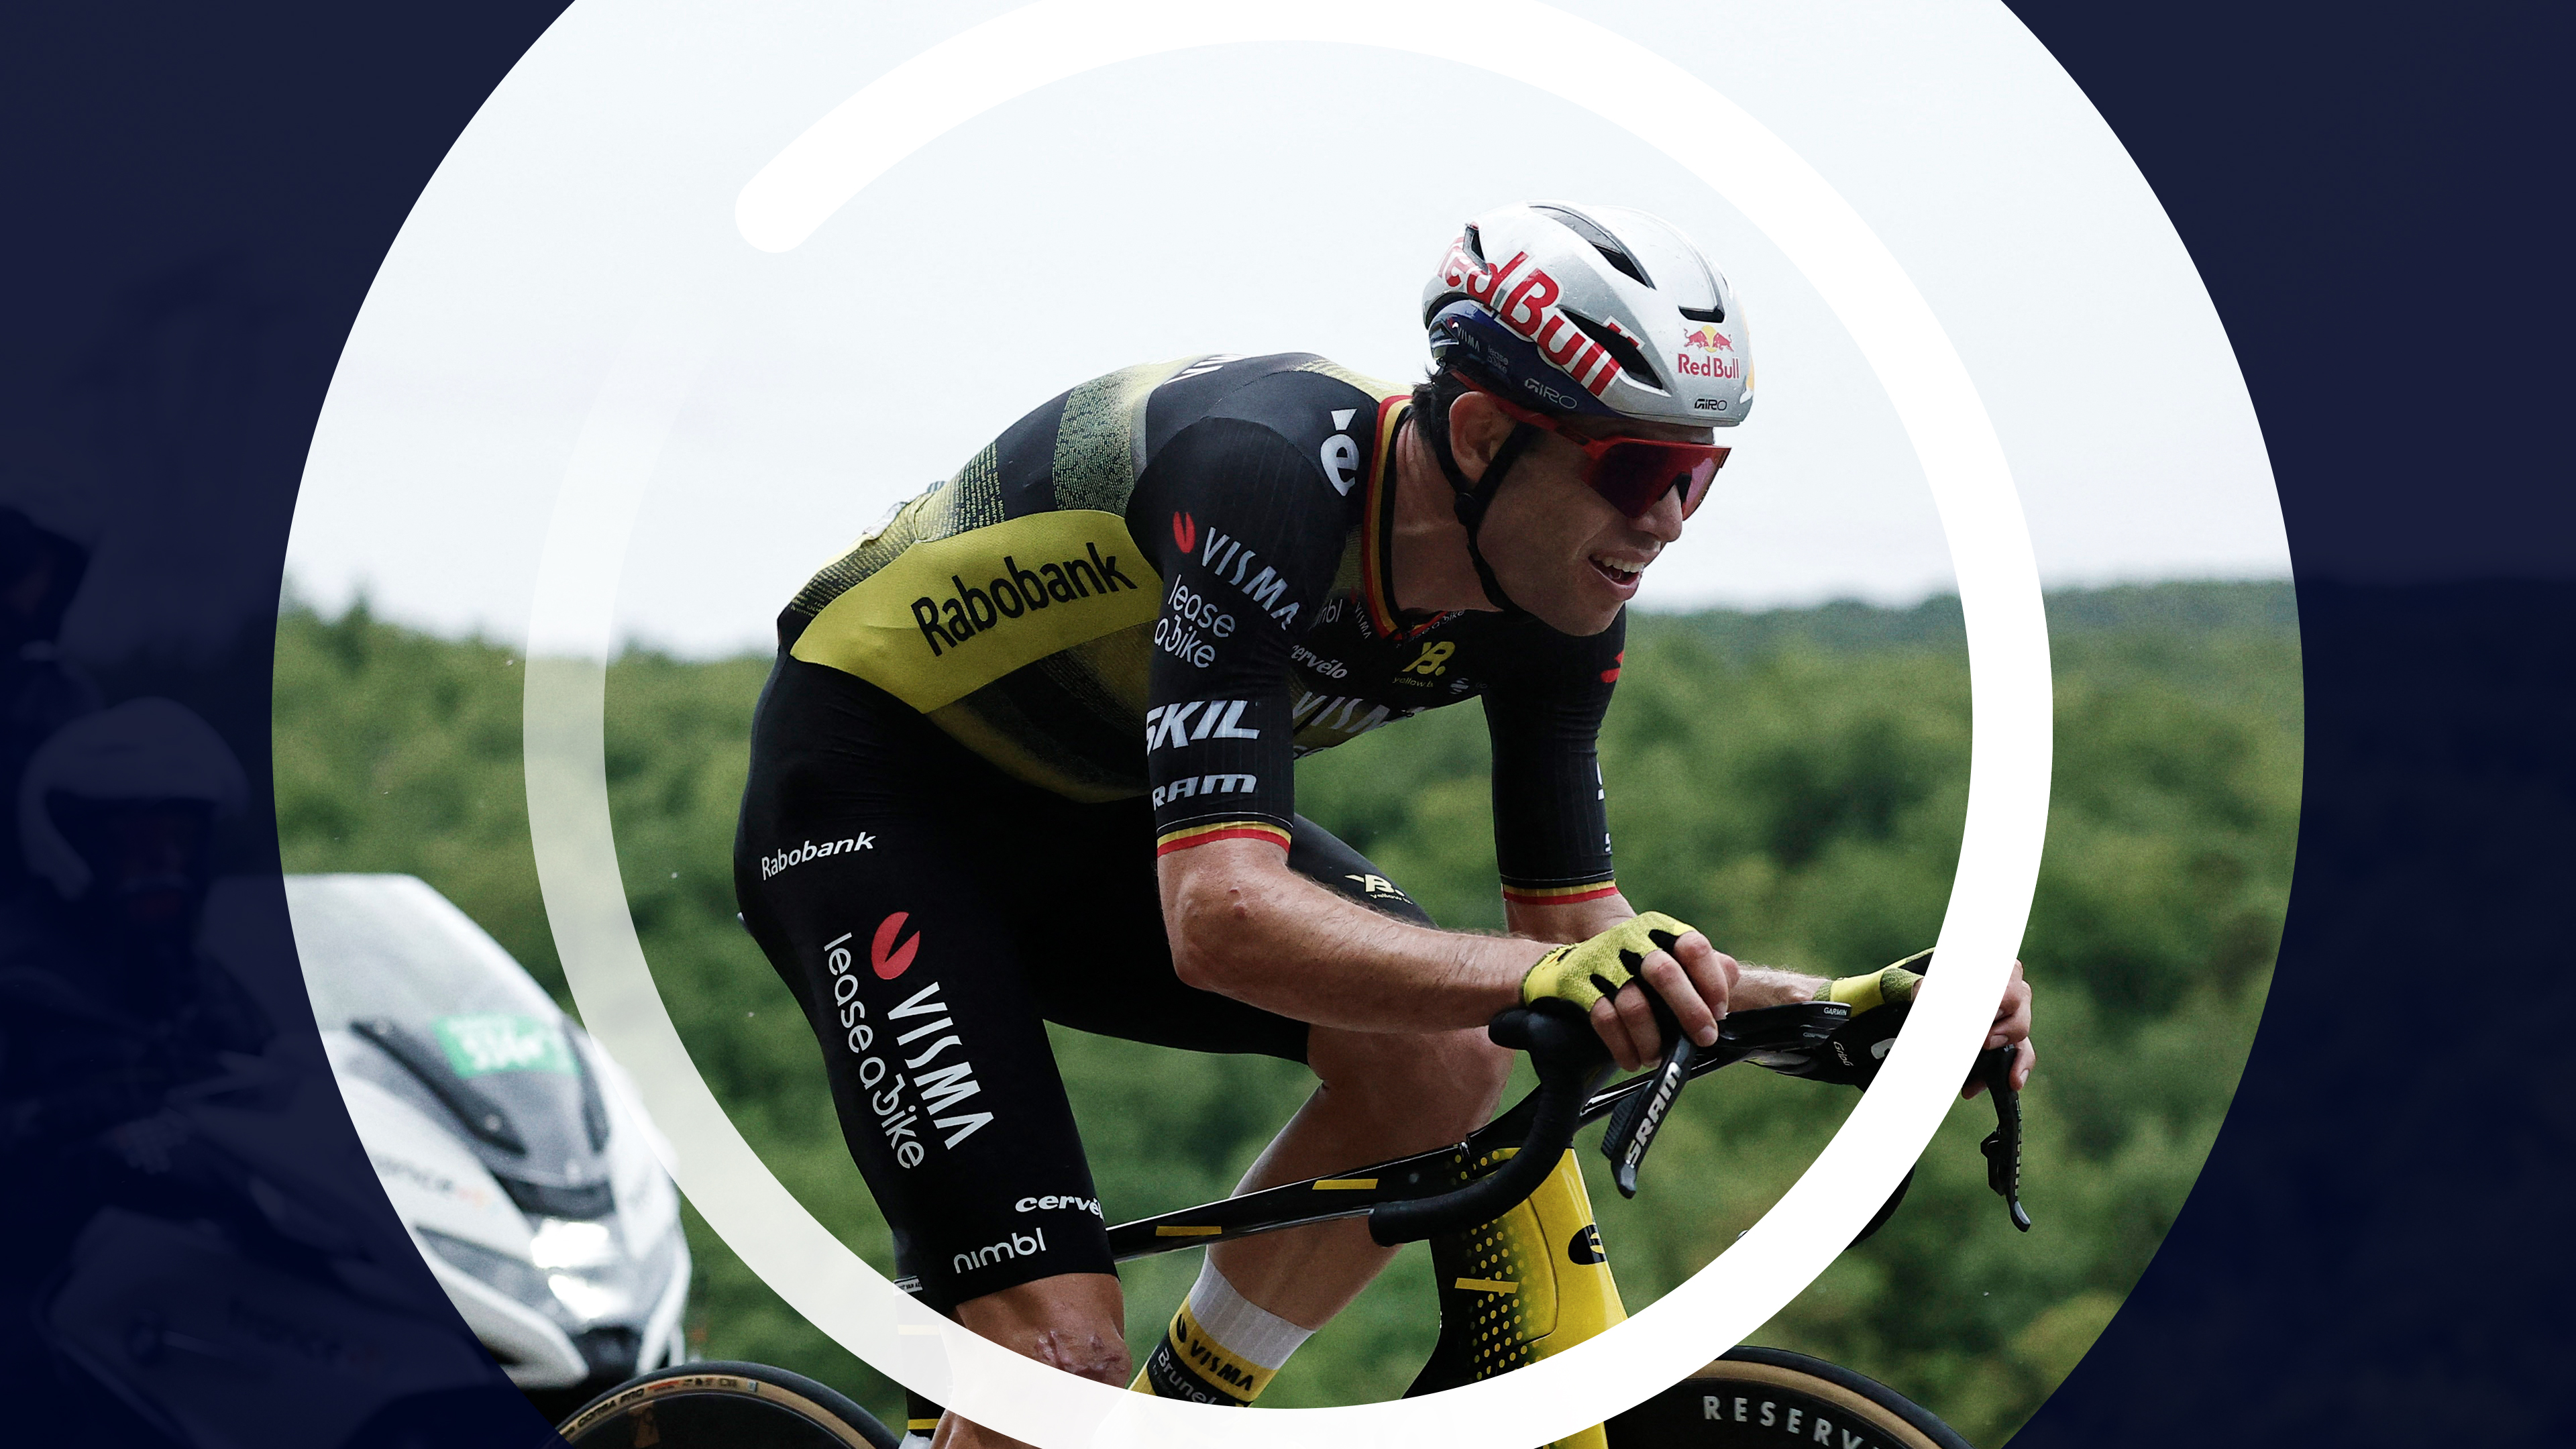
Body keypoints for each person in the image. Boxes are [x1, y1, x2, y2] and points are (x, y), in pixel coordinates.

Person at [732, 201, 2037, 1448]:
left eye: (1699, 474)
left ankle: (1180, 1419)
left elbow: (1579, 937)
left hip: (1098, 807)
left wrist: (1830, 1012)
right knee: (1059, 1357)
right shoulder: (1261, 475)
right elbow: (1218, 918)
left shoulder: (1557, 598)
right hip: (877, 793)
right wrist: (1539, 977)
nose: (1666, 521)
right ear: (1480, 432)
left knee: (1446, 1058)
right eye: (1637, 468)